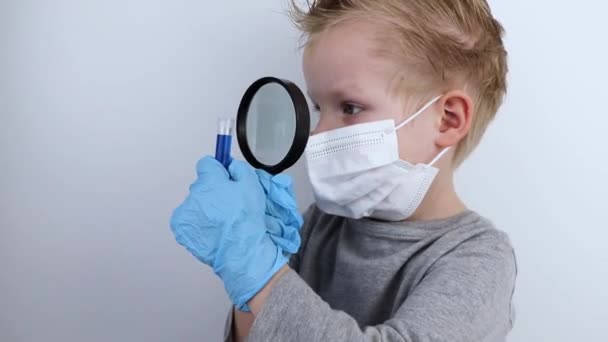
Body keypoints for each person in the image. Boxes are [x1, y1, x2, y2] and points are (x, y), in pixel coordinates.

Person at [170, 0, 517, 341]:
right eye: (318, 107)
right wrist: (254, 260)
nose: (317, 134)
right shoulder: (323, 223)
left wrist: (258, 271)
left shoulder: (479, 259)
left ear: (447, 119)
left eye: (350, 107)